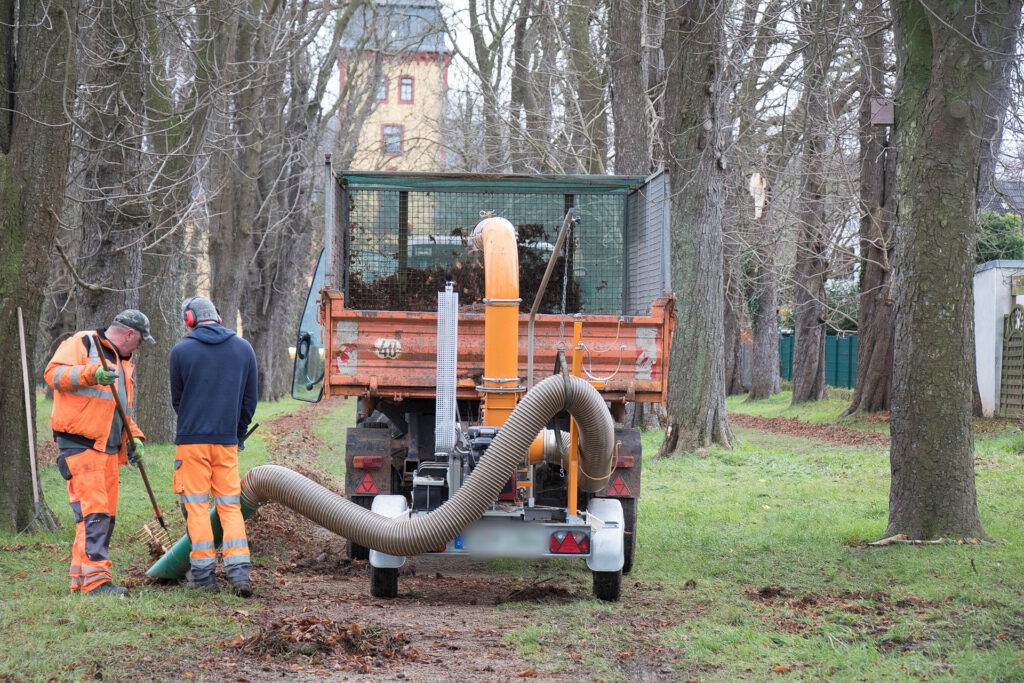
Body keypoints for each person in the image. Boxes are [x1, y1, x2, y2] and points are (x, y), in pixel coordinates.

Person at [44, 309, 155, 596]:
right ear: (129, 334)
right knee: (94, 513)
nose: (140, 347)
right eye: (141, 340)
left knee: (101, 516)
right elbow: (53, 374)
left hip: (107, 449)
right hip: (81, 443)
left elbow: (122, 411)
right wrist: (91, 373)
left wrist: (135, 438)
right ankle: (96, 583)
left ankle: (82, 579)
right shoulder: (84, 343)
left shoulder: (125, 363)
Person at [169, 296, 258, 597]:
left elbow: (177, 401)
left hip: (191, 443)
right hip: (226, 442)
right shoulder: (243, 349)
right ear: (218, 318)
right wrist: (237, 432)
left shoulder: (181, 350)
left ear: (190, 319)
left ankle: (204, 575)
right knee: (229, 505)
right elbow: (249, 400)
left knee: (196, 507)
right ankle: (239, 572)